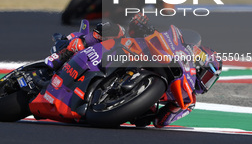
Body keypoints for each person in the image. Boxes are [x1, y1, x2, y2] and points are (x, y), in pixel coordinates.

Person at [45, 13, 222, 128]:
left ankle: (104, 98)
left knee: (145, 119)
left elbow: (161, 121)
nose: (205, 83)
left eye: (209, 81)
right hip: (129, 56)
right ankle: (66, 50)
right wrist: (142, 25)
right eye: (207, 76)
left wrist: (164, 109)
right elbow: (143, 28)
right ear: (199, 61)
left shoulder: (188, 102)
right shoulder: (180, 54)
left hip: (130, 105)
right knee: (117, 30)